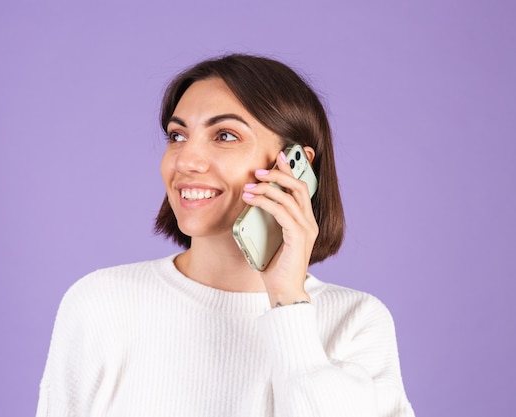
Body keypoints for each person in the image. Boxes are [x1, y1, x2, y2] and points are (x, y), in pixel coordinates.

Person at [36, 54, 415, 416]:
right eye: (177, 136)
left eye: (226, 136)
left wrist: (288, 304)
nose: (185, 161)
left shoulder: (355, 323)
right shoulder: (100, 304)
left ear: (294, 166)